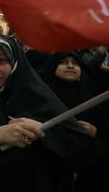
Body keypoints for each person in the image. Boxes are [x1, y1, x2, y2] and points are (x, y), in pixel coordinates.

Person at [0, 35, 97, 192]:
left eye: (0, 60)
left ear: (16, 62)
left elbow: (83, 152)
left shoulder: (39, 98)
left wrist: (44, 132)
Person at [41, 52, 109, 191]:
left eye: (75, 63)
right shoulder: (42, 98)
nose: (70, 66)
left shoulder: (92, 95)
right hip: (51, 169)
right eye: (64, 62)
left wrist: (96, 132)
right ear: (53, 66)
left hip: (89, 172)